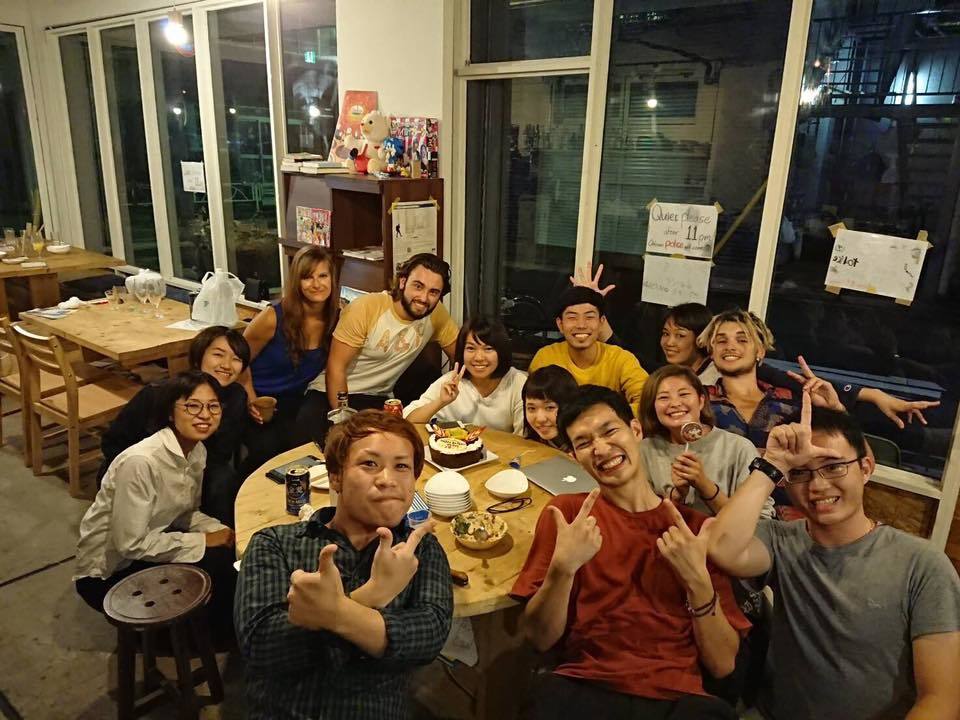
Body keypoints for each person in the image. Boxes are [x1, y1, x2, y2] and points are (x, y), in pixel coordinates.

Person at [705, 393, 960, 719]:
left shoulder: (922, 565)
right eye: (800, 472)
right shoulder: (780, 540)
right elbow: (722, 548)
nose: (817, 486)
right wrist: (773, 464)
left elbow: (941, 698)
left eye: (834, 467)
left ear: (865, 468)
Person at [512, 385, 750, 720]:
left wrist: (698, 581)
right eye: (583, 442)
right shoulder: (568, 517)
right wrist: (562, 569)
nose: (600, 448)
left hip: (680, 698)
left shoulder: (695, 530)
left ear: (636, 430)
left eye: (609, 431)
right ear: (575, 457)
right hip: (583, 684)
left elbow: (723, 664)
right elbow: (538, 638)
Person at [235, 410, 453, 719]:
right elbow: (262, 646)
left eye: (402, 466)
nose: (388, 480)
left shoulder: (421, 551)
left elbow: (426, 638)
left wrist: (330, 612)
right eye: (369, 464)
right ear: (336, 476)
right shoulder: (275, 544)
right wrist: (374, 595)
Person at [75, 372, 236, 630]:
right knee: (219, 568)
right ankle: (205, 638)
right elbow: (130, 545)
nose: (205, 415)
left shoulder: (196, 450)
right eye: (193, 406)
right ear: (170, 413)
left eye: (213, 406)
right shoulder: (141, 462)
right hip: (109, 573)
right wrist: (203, 540)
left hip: (148, 547)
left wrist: (219, 531)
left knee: (232, 554)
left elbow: (185, 513)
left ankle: (211, 630)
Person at [97, 326, 250, 526]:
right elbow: (113, 443)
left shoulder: (236, 397)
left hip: (197, 469)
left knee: (223, 480)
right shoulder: (158, 394)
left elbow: (221, 453)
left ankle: (224, 536)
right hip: (141, 472)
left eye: (236, 359)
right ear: (198, 356)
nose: (227, 365)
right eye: (218, 355)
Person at [299, 253, 459, 432]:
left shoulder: (436, 314)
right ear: (402, 282)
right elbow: (336, 368)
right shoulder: (367, 307)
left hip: (378, 397)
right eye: (418, 286)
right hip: (331, 391)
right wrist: (345, 419)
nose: (424, 298)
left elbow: (462, 355)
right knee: (313, 434)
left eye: (433, 292)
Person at [240, 245, 339, 466]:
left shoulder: (336, 319)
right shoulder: (272, 317)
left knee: (311, 448)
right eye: (308, 277)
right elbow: (238, 360)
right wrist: (251, 399)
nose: (317, 284)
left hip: (296, 401)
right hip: (260, 399)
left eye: (323, 276)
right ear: (297, 282)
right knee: (269, 451)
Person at [639, 365, 773, 519]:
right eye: (663, 397)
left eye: (683, 394)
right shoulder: (644, 450)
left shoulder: (739, 448)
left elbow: (759, 520)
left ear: (701, 401)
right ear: (652, 407)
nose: (675, 403)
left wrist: (704, 485)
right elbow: (639, 519)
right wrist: (676, 496)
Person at [528, 287, 648, 415]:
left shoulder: (620, 359)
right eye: (572, 317)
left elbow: (646, 400)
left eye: (589, 317)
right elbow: (534, 404)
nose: (581, 325)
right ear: (560, 324)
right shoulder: (546, 357)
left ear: (601, 323)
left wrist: (605, 419)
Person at [404, 316, 526, 434]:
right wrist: (440, 401)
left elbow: (525, 438)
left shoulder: (517, 383)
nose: (479, 358)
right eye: (471, 348)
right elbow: (408, 420)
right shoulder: (451, 382)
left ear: (501, 351)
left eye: (488, 349)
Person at [522, 365, 580, 450]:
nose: (540, 419)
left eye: (550, 407)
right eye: (532, 408)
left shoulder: (588, 449)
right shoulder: (534, 442)